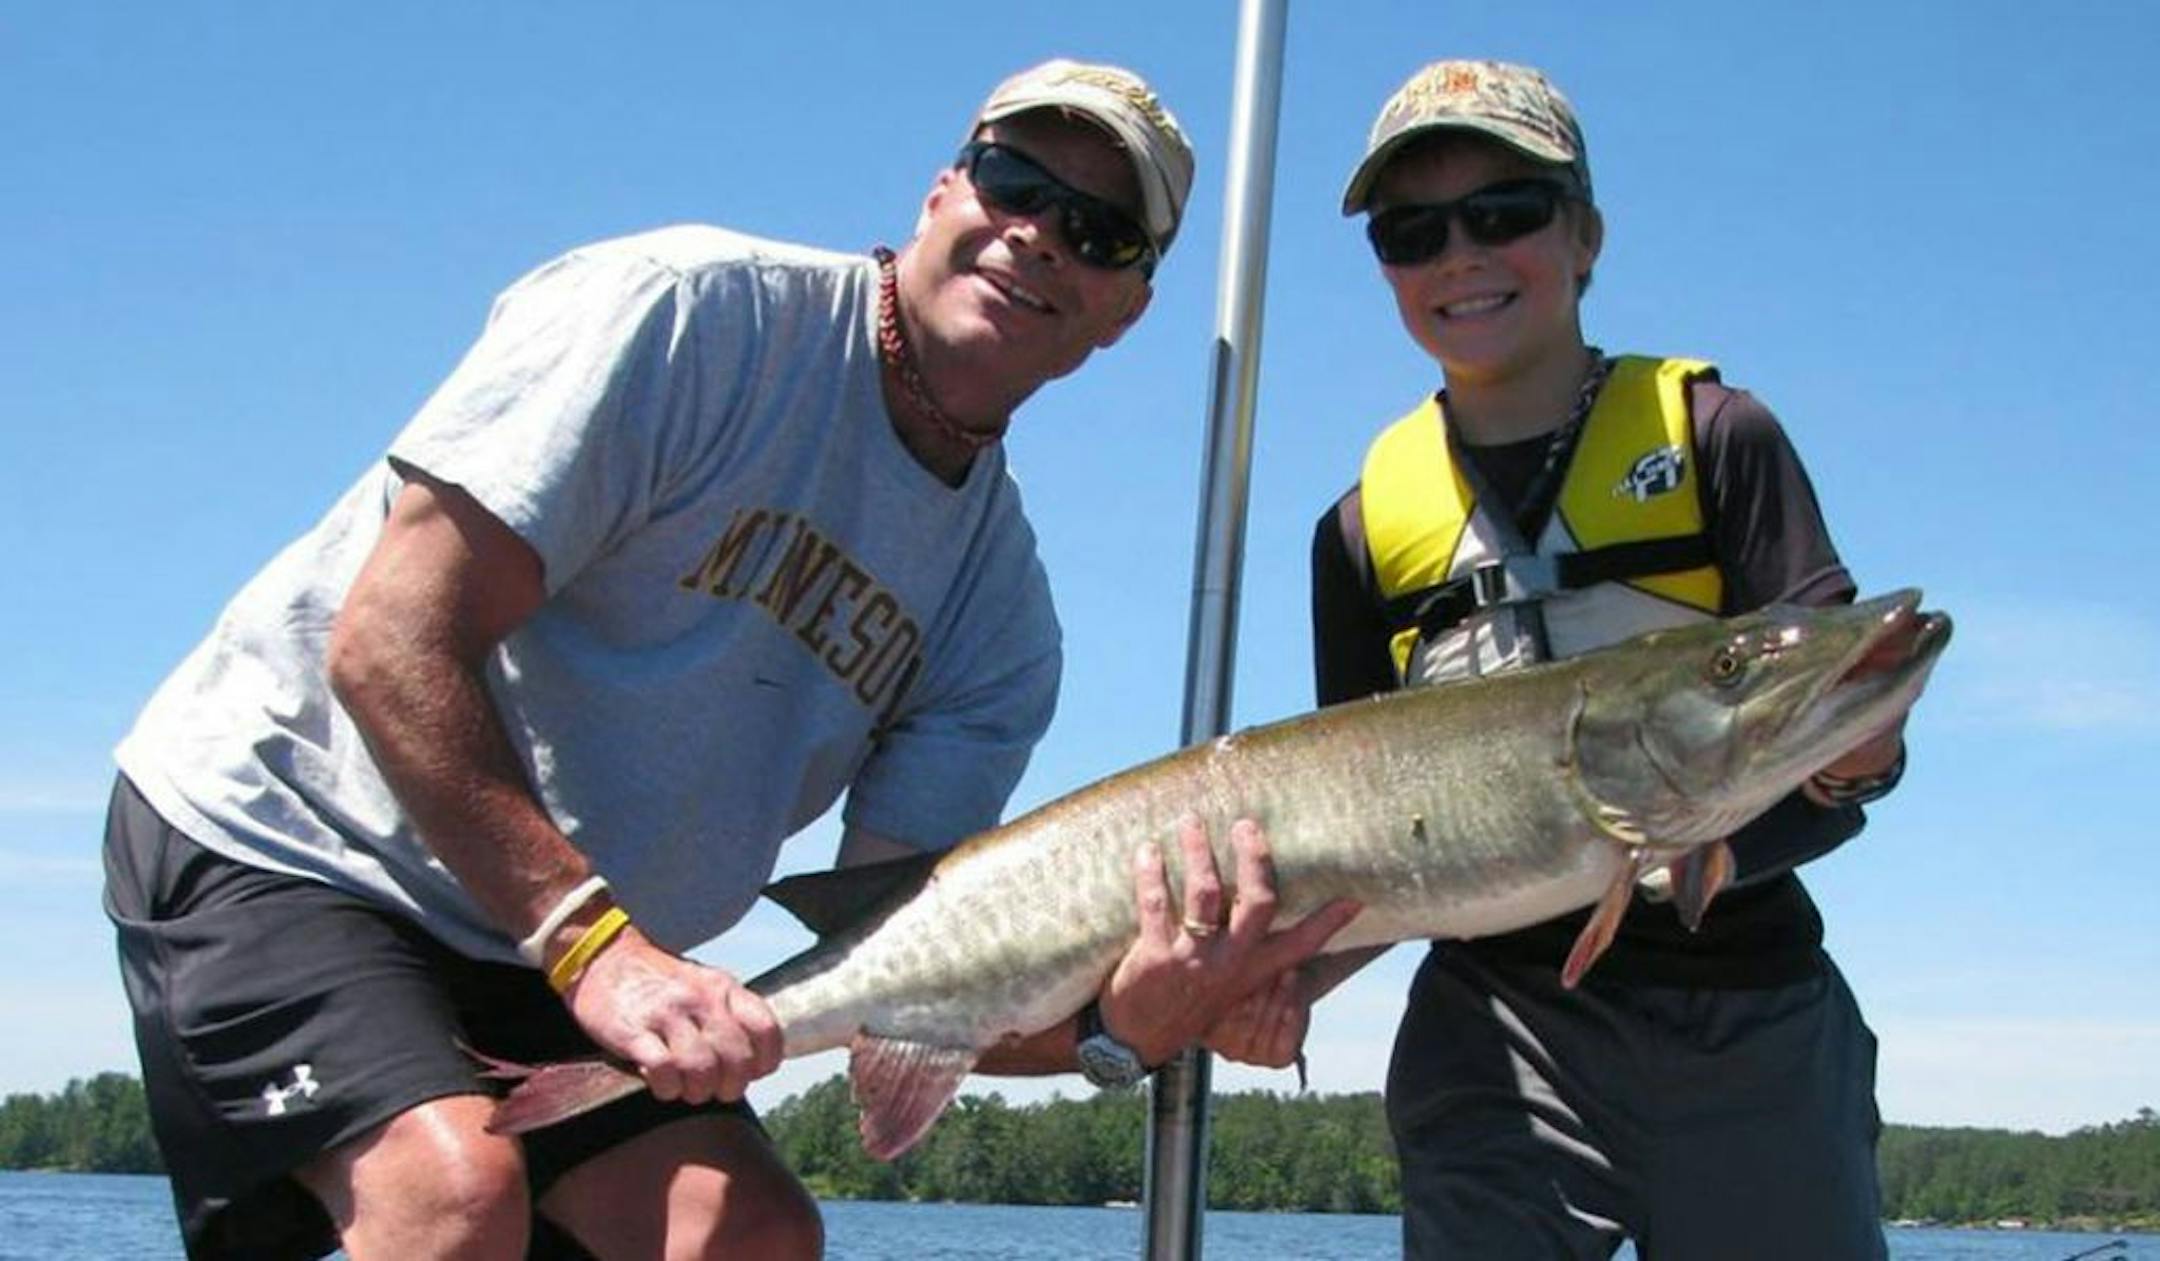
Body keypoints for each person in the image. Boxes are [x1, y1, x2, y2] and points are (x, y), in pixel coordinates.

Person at [103, 58, 1357, 1261]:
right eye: (1015, 182)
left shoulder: (1001, 626)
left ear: (1127, 309)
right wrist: (594, 946)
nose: (1038, 234)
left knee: (750, 1235)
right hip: (292, 837)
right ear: (942, 192)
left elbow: (901, 959)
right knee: (454, 1200)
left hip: (552, 941)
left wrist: (1115, 1025)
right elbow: (386, 640)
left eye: (1099, 232)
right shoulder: (691, 315)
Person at [1289, 59, 1922, 1258]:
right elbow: (1363, 839)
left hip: (1751, 1012)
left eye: (1506, 212)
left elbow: (1843, 752)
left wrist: (1853, 764)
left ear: (1585, 236)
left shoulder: (1721, 438)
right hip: (1498, 1033)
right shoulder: (1358, 532)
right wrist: (1266, 977)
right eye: (1412, 232)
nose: (1460, 256)